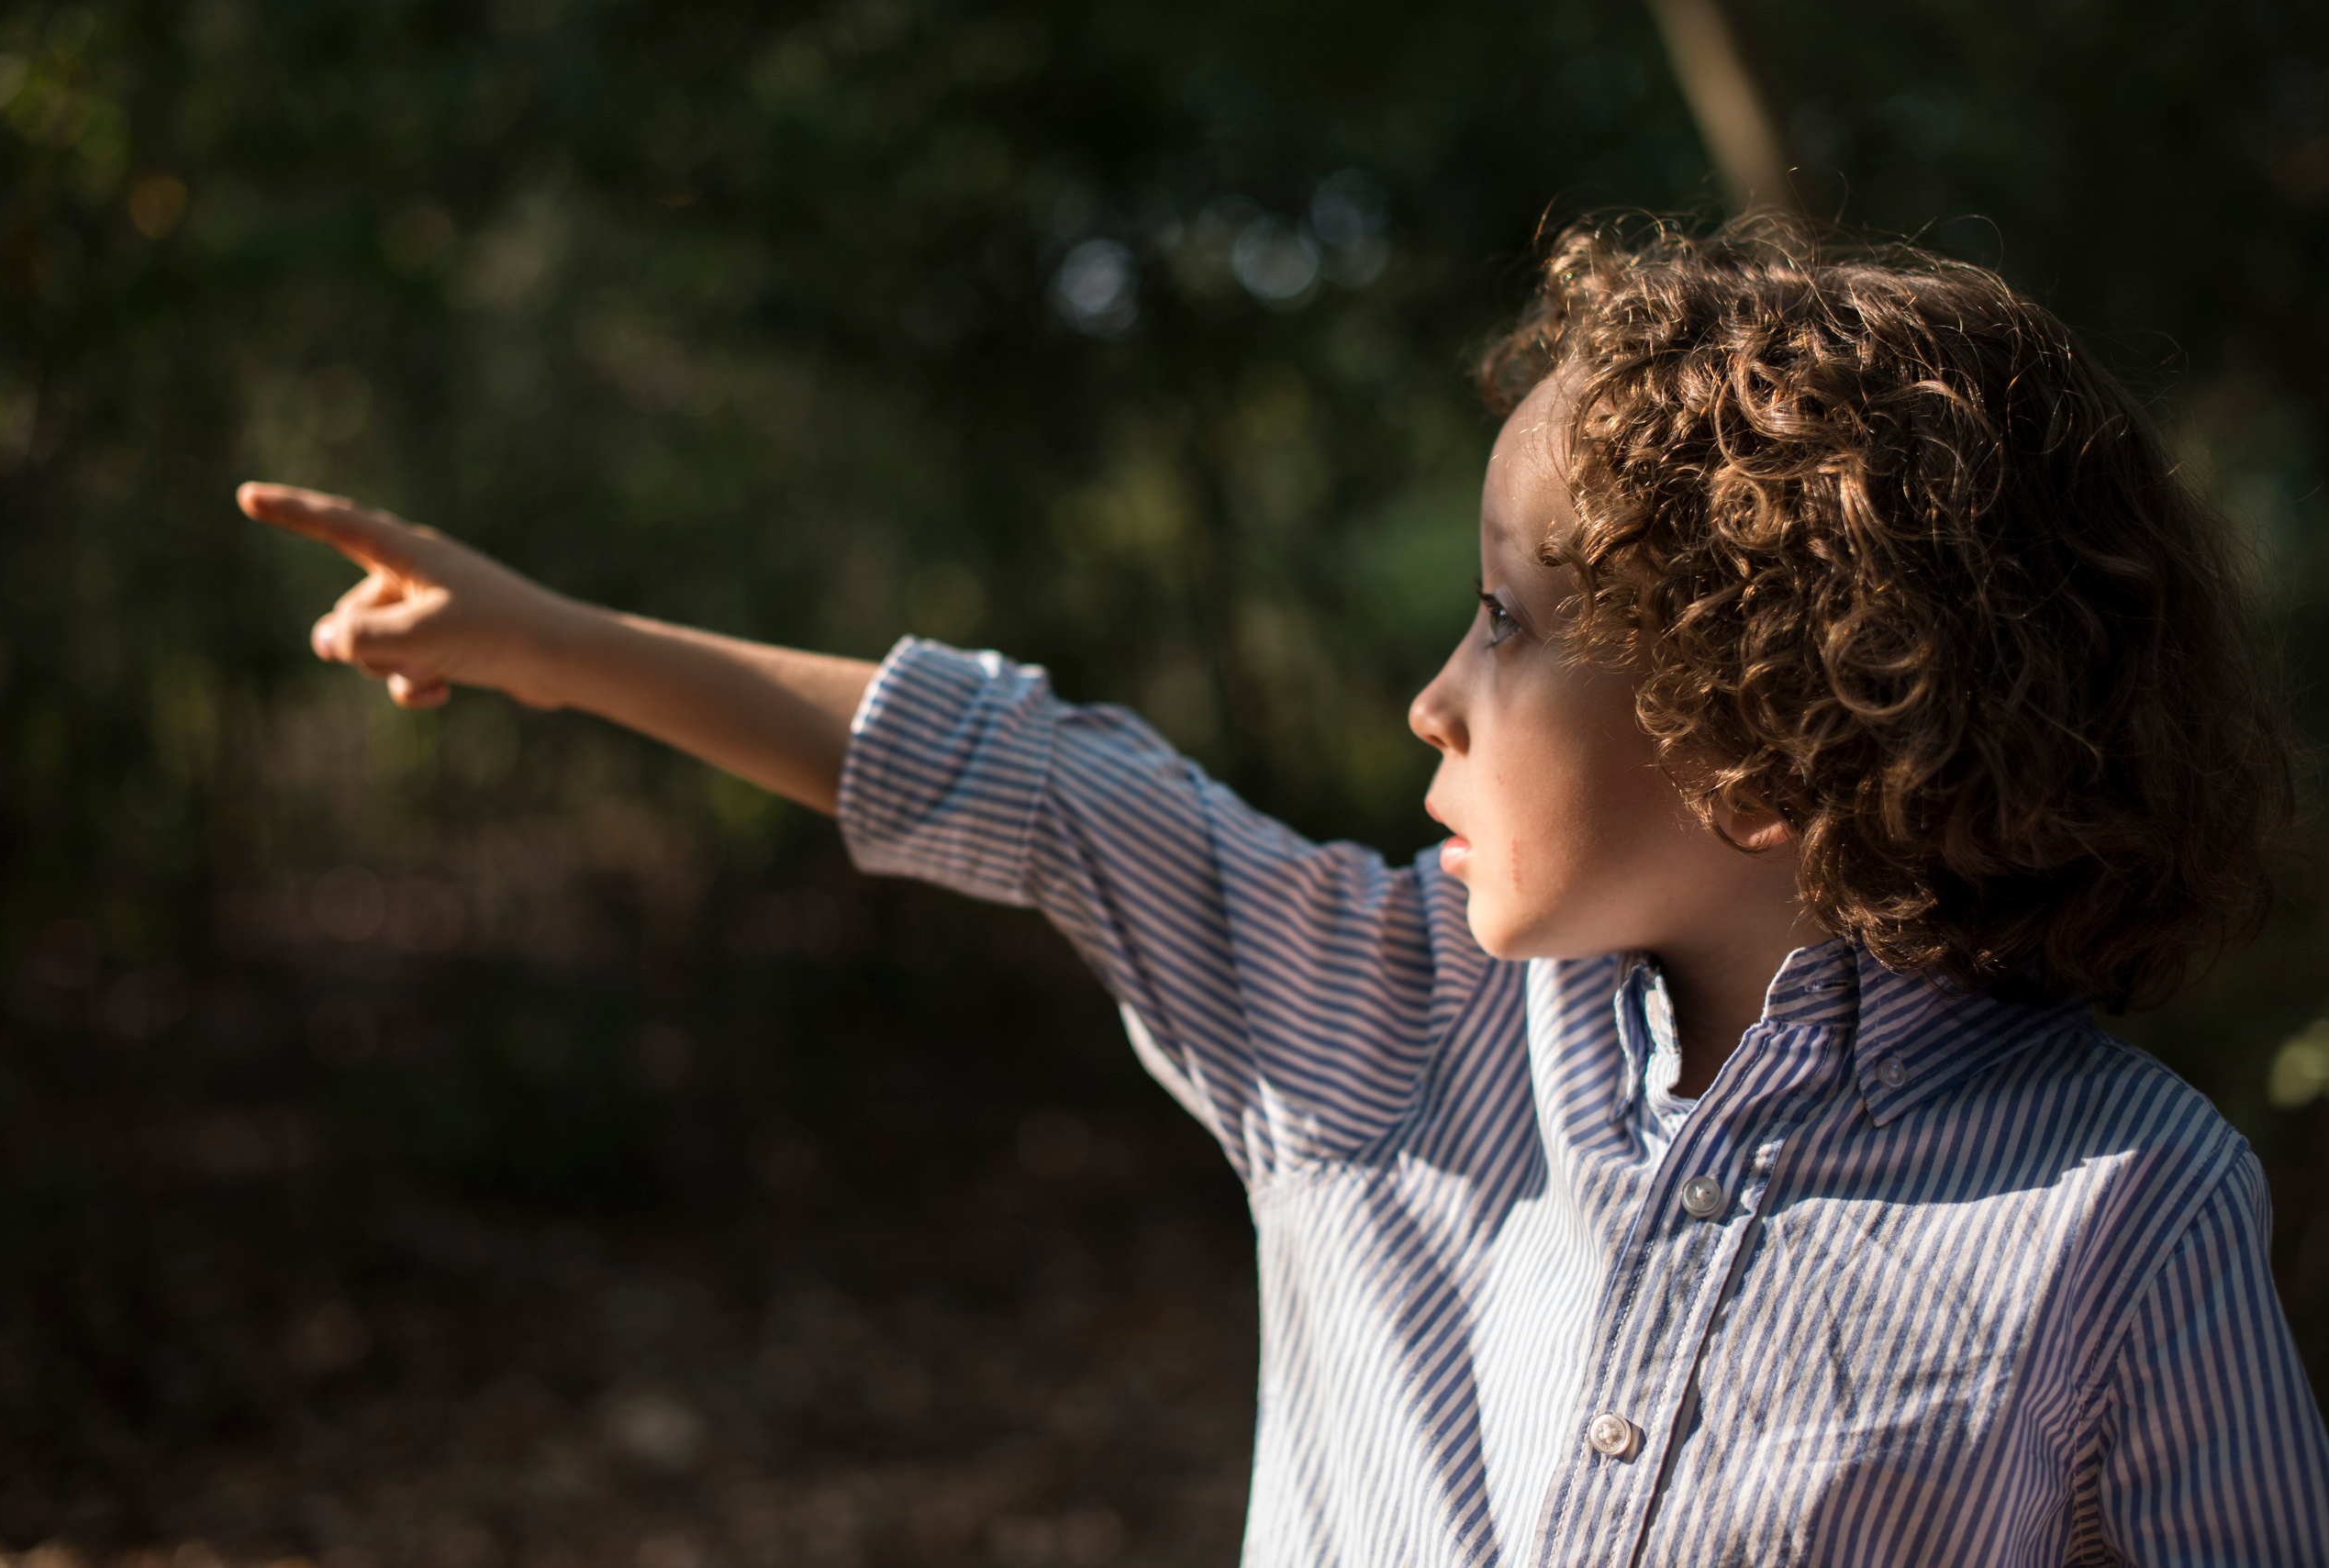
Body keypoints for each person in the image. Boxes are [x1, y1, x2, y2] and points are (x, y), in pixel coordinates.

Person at [239, 217, 2329, 1566]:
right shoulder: (1377, 1018)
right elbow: (1042, 785)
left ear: (1765, 721)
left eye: (1506, 622)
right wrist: (557, 644)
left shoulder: (2124, 1210)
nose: (1432, 695)